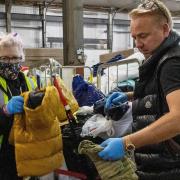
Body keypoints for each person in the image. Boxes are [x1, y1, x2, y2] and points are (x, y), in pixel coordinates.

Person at [98, 0, 180, 179]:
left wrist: (126, 142)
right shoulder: (158, 58)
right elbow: (162, 94)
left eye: (143, 36)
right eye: (134, 37)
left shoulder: (171, 63)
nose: (138, 44)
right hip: (159, 164)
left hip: (169, 168)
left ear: (165, 29)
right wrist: (128, 96)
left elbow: (178, 118)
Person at [0, 33, 37, 179]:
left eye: (15, 57)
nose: (10, 62)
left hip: (28, 153)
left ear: (21, 58)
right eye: (4, 58)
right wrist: (5, 111)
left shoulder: (31, 83)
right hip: (3, 158)